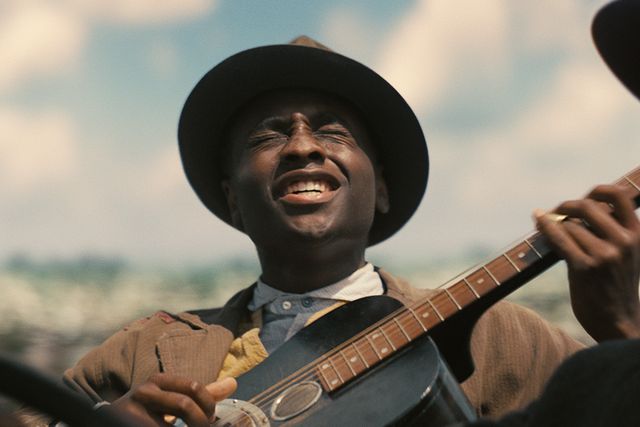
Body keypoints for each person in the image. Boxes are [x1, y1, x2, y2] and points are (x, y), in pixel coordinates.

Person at [49, 34, 640, 427]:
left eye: (332, 132)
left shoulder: (505, 339)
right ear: (232, 200)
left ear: (380, 188)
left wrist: (623, 331)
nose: (301, 146)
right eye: (269, 135)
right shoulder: (144, 350)